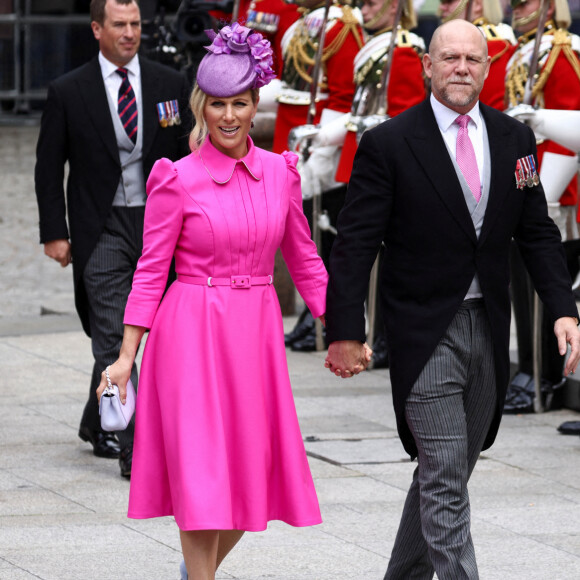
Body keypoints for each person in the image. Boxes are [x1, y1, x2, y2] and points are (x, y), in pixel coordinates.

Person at [324, 19, 580, 579]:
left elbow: (536, 231)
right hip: (423, 331)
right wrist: (345, 330)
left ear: (487, 70)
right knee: (442, 472)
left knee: (451, 469)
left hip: (487, 327)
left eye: (472, 59)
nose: (461, 68)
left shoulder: (514, 139)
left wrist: (563, 307)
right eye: (450, 59)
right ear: (428, 67)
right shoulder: (388, 144)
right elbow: (355, 244)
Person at [97, 23, 329, 579]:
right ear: (202, 109)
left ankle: (192, 572)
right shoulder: (175, 179)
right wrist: (127, 357)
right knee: (202, 476)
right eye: (218, 104)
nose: (229, 116)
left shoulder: (280, 173)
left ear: (256, 107)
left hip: (255, 335)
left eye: (241, 104)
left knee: (250, 482)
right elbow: (151, 272)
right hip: (190, 334)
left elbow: (304, 260)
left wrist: (342, 328)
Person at [34, 0, 192, 478]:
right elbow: (47, 166)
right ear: (97, 29)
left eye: (136, 24)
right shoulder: (68, 90)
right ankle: (136, 447)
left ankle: (94, 417)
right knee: (110, 332)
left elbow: (190, 151)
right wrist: (54, 233)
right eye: (119, 25)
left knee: (156, 330)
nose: (129, 33)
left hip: (158, 225)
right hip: (99, 225)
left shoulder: (169, 83)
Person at [505, 0, 580, 398]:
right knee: (520, 284)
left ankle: (545, 374)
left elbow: (567, 127)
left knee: (544, 284)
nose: (517, 9)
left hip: (549, 186)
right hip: (521, 179)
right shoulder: (525, 51)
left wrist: (546, 192)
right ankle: (529, 368)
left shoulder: (561, 51)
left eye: (526, 2)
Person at [439, 0, 517, 110]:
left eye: (449, 2)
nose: (442, 7)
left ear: (477, 5)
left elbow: (494, 104)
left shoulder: (492, 43)